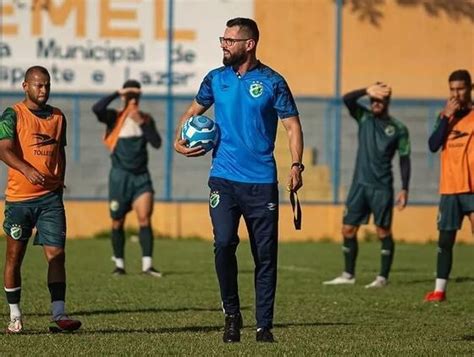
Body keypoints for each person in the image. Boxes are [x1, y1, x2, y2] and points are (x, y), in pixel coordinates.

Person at [174, 18, 304, 343]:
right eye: (223, 39)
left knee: (265, 255)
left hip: (261, 182)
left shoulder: (273, 81)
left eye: (230, 40)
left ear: (249, 44)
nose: (223, 45)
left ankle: (264, 326)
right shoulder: (215, 79)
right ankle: (231, 314)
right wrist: (180, 140)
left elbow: (292, 127)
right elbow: (191, 113)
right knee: (223, 245)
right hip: (223, 179)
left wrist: (297, 165)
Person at [0, 66, 81, 333]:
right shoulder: (13, 114)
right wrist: (27, 169)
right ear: (25, 86)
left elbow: (61, 151)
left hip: (50, 199)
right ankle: (15, 315)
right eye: (38, 85)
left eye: (47, 85)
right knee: (14, 257)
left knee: (57, 255)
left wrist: (60, 180)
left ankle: (59, 316)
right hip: (20, 200)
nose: (43, 90)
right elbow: (4, 149)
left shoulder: (58, 116)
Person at [323, 83, 411, 288]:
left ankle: (382, 277)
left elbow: (405, 159)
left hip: (381, 187)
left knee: (382, 232)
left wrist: (405, 188)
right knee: (347, 230)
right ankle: (348, 274)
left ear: (387, 101)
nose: (375, 103)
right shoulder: (364, 118)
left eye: (379, 99)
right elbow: (347, 99)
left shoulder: (398, 129)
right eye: (373, 99)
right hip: (359, 185)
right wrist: (365, 90)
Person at [92, 80, 162, 277]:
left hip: (141, 177)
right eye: (129, 95)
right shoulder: (114, 117)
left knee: (144, 218)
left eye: (135, 96)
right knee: (117, 222)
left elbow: (156, 143)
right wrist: (116, 91)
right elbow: (97, 109)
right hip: (119, 177)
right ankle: (119, 265)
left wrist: (142, 123)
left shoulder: (146, 118)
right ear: (123, 96)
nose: (132, 99)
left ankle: (147, 265)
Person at [425, 69, 474, 302]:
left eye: (460, 89)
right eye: (452, 89)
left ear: (470, 88)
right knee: (445, 240)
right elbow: (433, 145)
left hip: (472, 188)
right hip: (449, 188)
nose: (456, 94)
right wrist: (446, 117)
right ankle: (439, 290)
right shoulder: (445, 116)